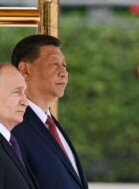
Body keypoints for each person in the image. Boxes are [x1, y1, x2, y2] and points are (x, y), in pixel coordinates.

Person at [11, 34, 88, 189]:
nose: (63, 73)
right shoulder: (13, 126)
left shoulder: (51, 124)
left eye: (64, 65)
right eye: (54, 64)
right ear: (25, 70)